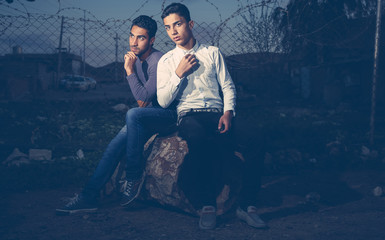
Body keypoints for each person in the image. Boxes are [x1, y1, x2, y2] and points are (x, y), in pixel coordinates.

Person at [157, 3, 266, 230]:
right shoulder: (167, 61)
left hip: (217, 113)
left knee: (256, 137)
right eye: (168, 27)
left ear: (190, 24)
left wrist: (228, 112)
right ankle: (207, 205)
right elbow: (163, 101)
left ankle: (247, 206)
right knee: (197, 137)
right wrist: (179, 74)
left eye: (177, 24)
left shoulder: (212, 52)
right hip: (189, 115)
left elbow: (227, 86)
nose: (173, 31)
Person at [56, 15, 176, 215]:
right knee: (114, 146)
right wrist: (132, 69)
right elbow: (143, 100)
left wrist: (129, 71)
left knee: (133, 113)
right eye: (131, 36)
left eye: (141, 38)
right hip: (147, 116)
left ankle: (133, 176)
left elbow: (143, 100)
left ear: (152, 40)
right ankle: (88, 196)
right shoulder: (136, 59)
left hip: (167, 115)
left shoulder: (158, 60)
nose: (133, 42)